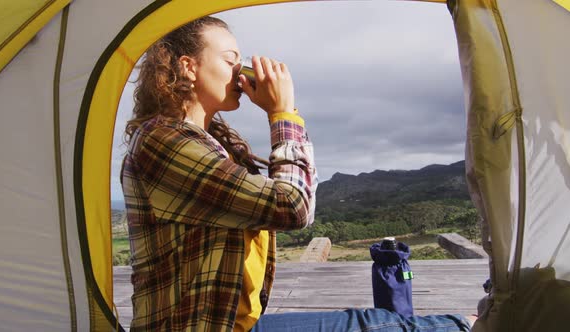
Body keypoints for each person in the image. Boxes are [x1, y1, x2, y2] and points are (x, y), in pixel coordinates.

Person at [121, 16, 472, 332]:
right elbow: (292, 206)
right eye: (231, 60)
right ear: (189, 67)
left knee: (382, 322)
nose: (241, 71)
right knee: (378, 326)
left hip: (233, 324)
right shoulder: (162, 140)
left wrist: (286, 114)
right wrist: (283, 113)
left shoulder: (209, 143)